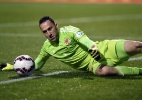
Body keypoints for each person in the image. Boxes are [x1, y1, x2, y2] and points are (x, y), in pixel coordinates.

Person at [1, 16, 142, 76]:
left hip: (103, 49)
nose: (48, 33)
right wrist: (13, 67)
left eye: (50, 29)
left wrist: (94, 50)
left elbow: (88, 43)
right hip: (91, 65)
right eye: (44, 31)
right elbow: (36, 65)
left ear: (56, 26)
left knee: (136, 46)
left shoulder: (70, 31)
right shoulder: (47, 47)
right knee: (104, 72)